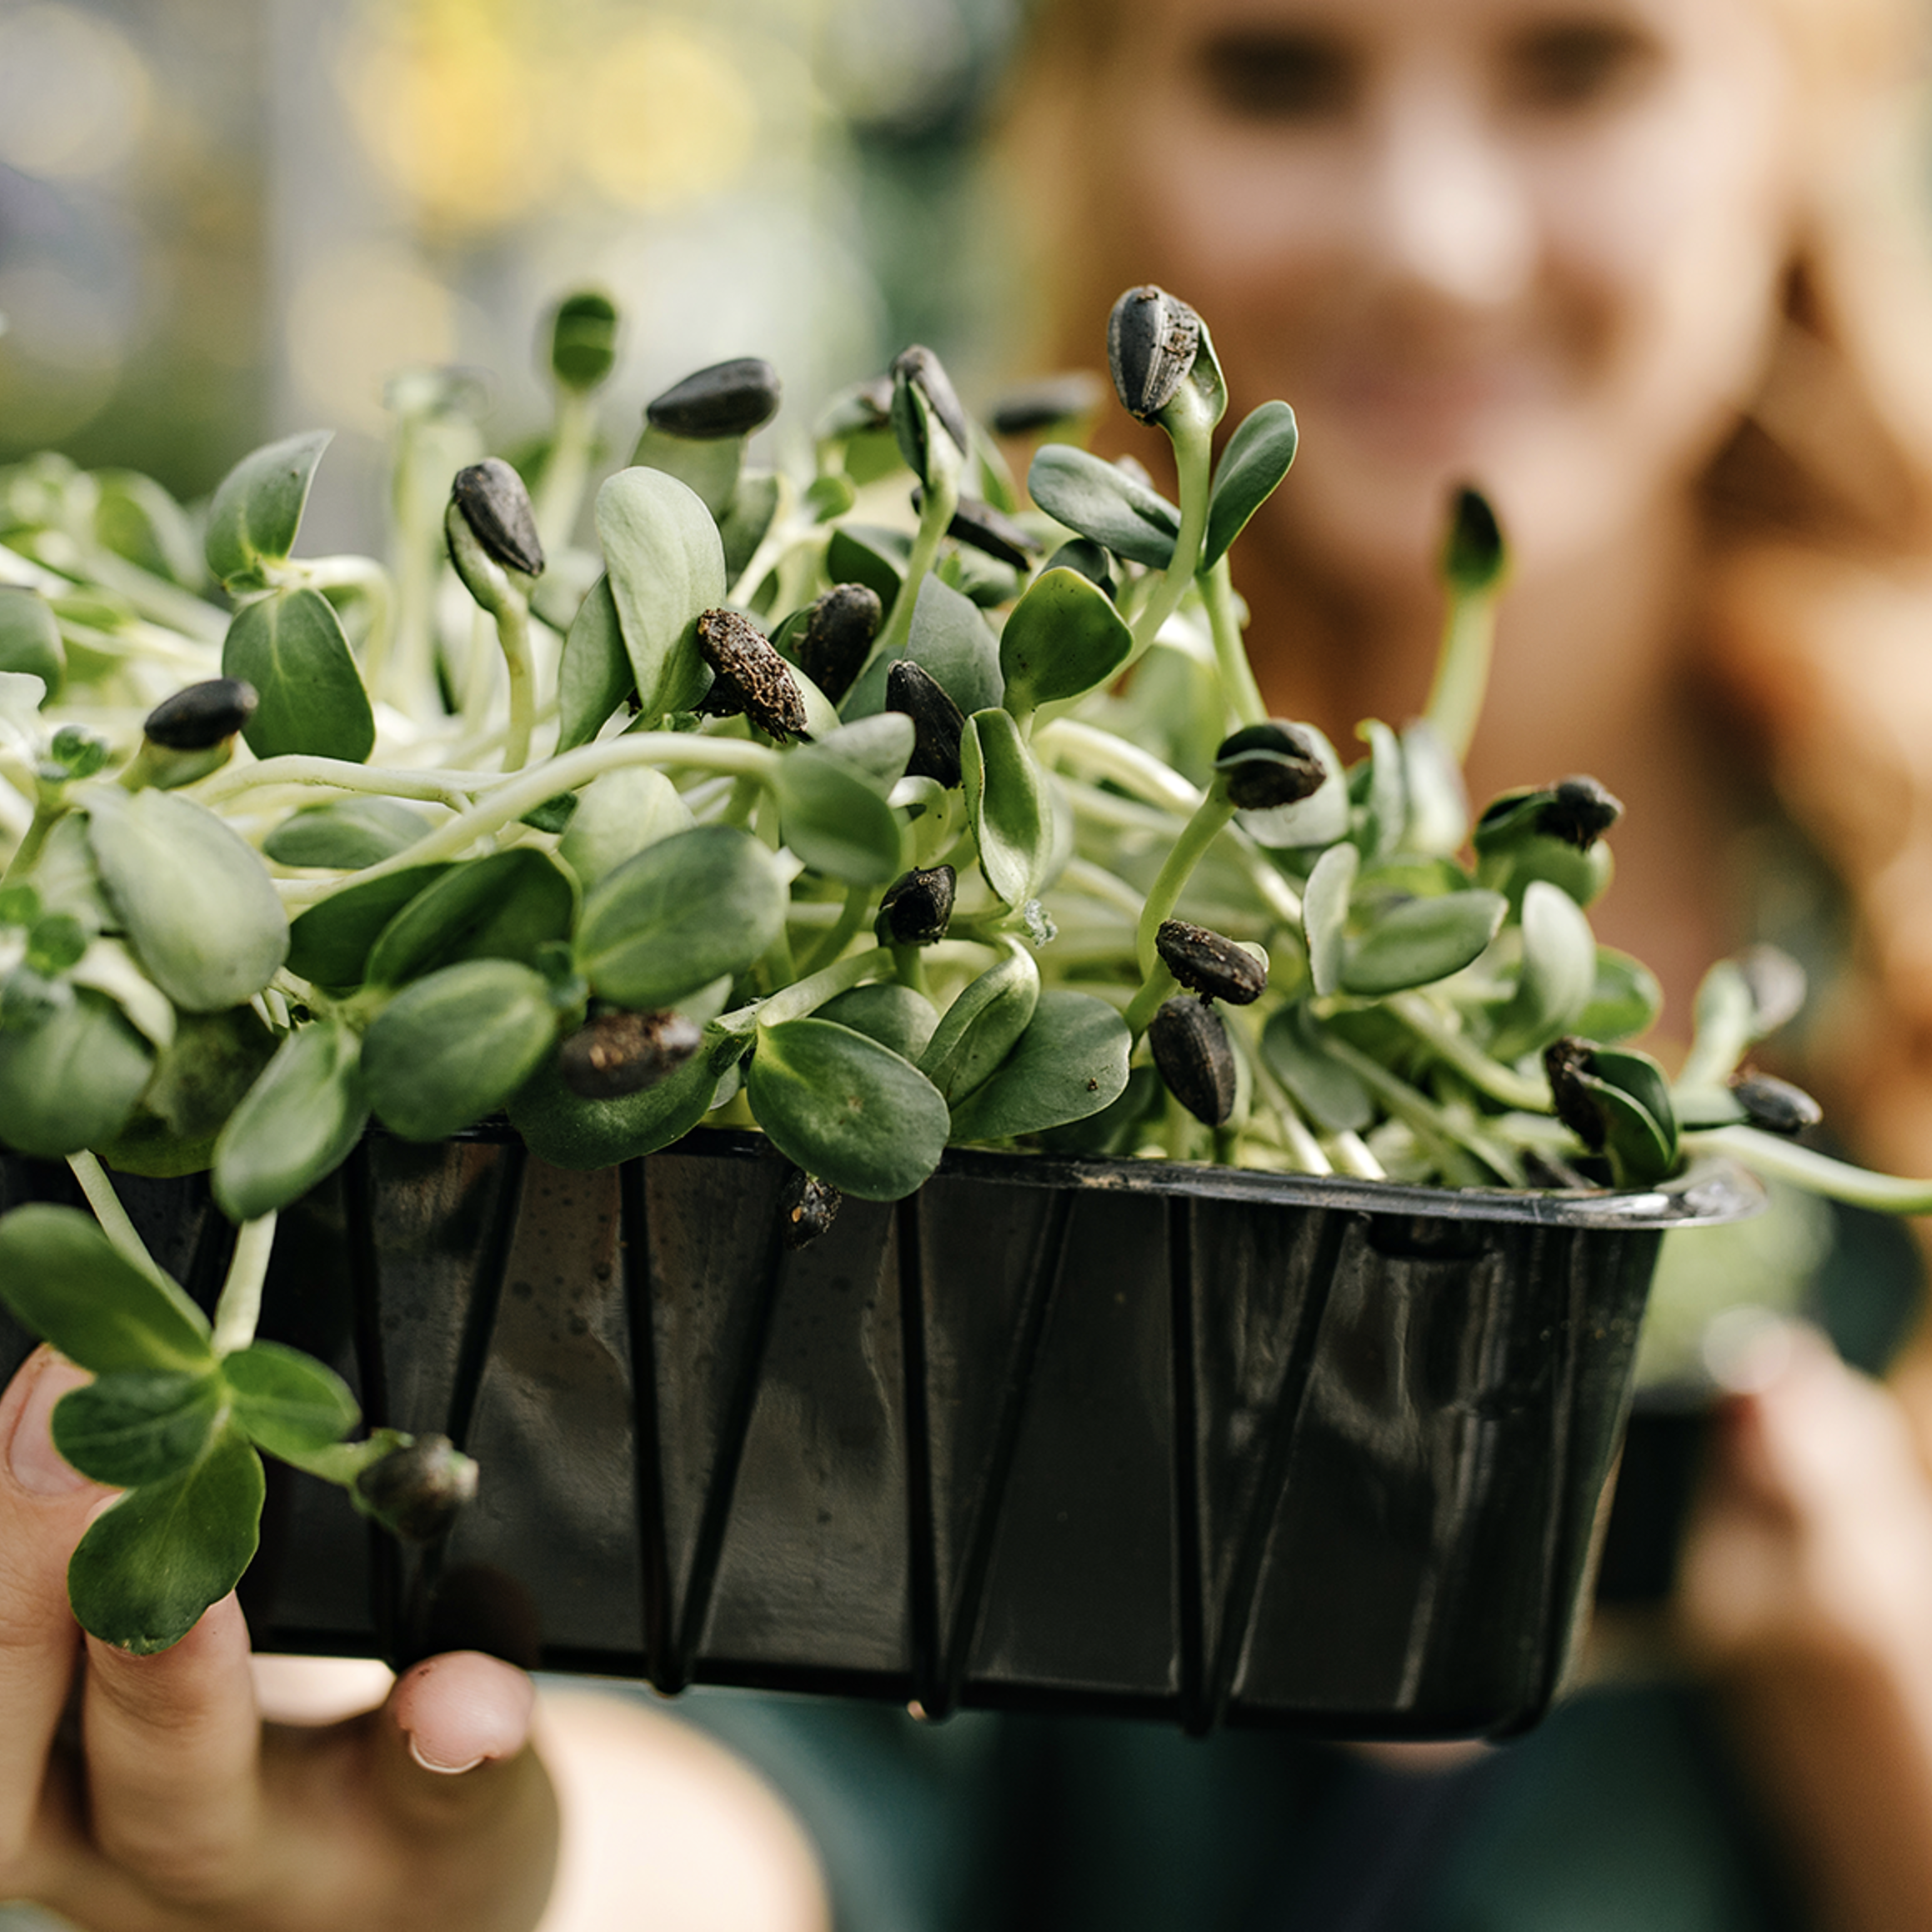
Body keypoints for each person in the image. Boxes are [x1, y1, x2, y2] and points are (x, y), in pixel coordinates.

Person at [8, 0, 1932, 1924]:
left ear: (1812, 105)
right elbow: (766, 1752)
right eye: (1274, 71)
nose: (1432, 236)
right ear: (1093, 117)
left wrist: (1874, 1708)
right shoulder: (883, 870)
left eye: (1581, 63)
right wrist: (485, 1870)